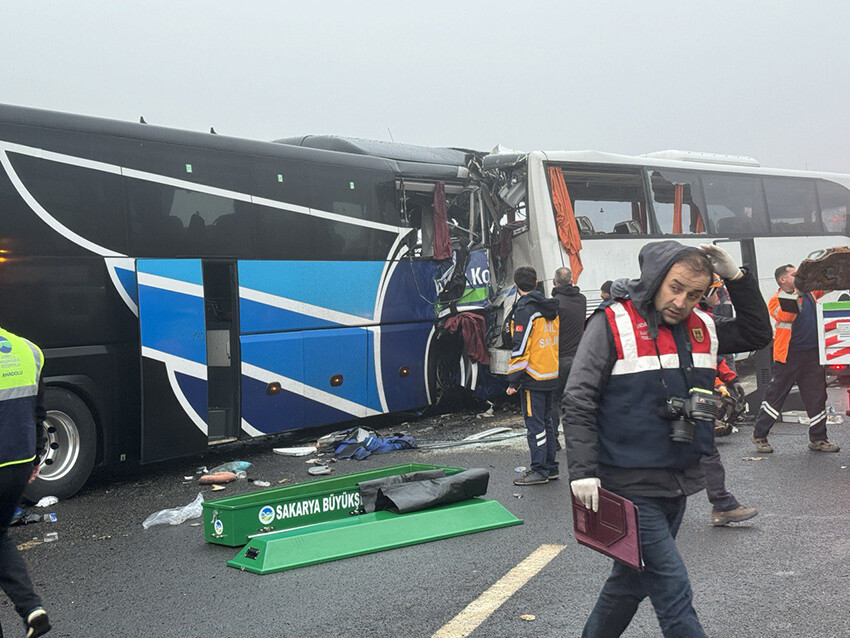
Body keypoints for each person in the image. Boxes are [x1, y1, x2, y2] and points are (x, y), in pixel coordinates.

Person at [563, 241, 771, 637]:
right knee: (673, 589)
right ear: (656, 277)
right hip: (629, 484)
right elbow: (578, 398)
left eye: (694, 293)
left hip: (677, 480)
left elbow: (758, 332)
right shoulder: (613, 322)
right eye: (675, 287)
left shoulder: (702, 324)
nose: (682, 301)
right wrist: (583, 471)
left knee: (629, 584)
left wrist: (738, 278)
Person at [752, 264, 840, 453]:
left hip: (812, 355)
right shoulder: (776, 300)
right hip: (788, 357)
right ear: (782, 279)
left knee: (817, 397)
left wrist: (837, 275)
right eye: (794, 275)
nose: (799, 277)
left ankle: (818, 439)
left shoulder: (810, 293)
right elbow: (788, 315)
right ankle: (760, 436)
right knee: (775, 396)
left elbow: (828, 285)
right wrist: (798, 293)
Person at [0, 326, 52, 638]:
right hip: (17, 464)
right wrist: (34, 458)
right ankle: (32, 607)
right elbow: (38, 412)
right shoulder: (27, 348)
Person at [506, 266, 560, 486]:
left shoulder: (525, 310)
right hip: (550, 373)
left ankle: (539, 470)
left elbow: (520, 348)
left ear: (516, 286)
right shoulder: (550, 308)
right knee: (546, 421)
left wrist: (513, 380)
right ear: (536, 283)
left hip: (533, 377)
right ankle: (551, 466)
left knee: (535, 425)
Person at [552, 267, 587, 434]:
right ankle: (574, 433)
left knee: (553, 399)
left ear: (554, 282)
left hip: (559, 358)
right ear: (572, 280)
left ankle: (553, 438)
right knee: (573, 399)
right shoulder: (582, 300)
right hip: (578, 358)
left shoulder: (555, 304)